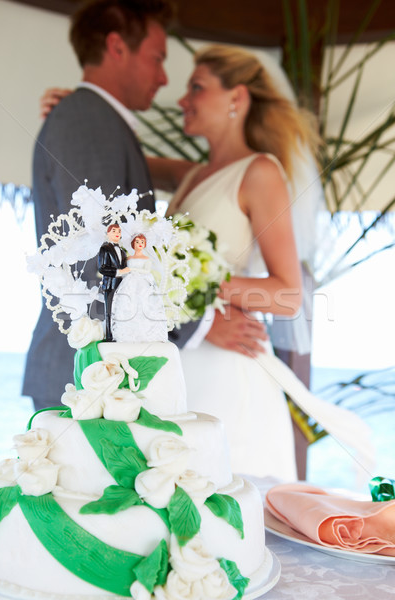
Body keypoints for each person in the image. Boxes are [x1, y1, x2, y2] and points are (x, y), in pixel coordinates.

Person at [152, 44, 320, 480]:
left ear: (237, 98)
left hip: (227, 369)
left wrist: (194, 285)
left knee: (219, 500)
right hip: (183, 362)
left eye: (197, 87)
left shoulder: (260, 173)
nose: (183, 99)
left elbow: (287, 294)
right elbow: (124, 156)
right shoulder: (190, 175)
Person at [23, 0, 175, 411]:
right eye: (157, 58)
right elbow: (98, 263)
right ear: (116, 46)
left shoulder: (94, 118)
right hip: (88, 374)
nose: (164, 77)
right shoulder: (88, 121)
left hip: (96, 372)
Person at [111, 233, 168, 342]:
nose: (140, 244)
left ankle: (144, 331)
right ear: (133, 244)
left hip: (142, 282)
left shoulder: (146, 258)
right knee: (127, 302)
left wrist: (133, 270)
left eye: (142, 242)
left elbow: (146, 271)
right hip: (129, 281)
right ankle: (125, 331)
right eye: (137, 242)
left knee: (143, 302)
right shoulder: (129, 258)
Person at [98, 223, 128, 341]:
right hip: (110, 284)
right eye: (114, 231)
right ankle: (110, 336)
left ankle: (120, 334)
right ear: (108, 233)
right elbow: (102, 268)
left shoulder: (123, 251)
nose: (117, 234)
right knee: (109, 311)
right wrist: (118, 272)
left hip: (122, 285)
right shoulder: (105, 248)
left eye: (119, 231)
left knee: (120, 309)